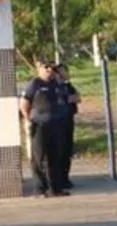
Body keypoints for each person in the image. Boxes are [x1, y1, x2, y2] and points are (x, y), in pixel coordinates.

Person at [19, 59, 71, 198]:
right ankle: (39, 189)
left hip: (56, 124)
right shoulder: (34, 84)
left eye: (52, 67)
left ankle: (55, 188)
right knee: (39, 157)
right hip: (39, 125)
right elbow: (24, 103)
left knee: (55, 156)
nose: (49, 70)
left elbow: (66, 95)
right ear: (39, 69)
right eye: (46, 67)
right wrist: (28, 119)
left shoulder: (56, 83)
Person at [54, 64, 80, 190]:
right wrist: (67, 98)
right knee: (58, 151)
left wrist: (68, 98)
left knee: (67, 151)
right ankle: (57, 179)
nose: (67, 74)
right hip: (58, 122)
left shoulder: (68, 86)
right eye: (64, 71)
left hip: (68, 120)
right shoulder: (54, 86)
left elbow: (77, 97)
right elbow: (58, 100)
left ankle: (65, 178)